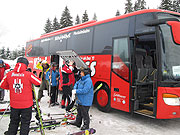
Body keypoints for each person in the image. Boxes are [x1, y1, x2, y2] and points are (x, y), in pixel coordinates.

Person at [0, 57, 41, 135]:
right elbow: (38, 82)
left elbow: (2, 85)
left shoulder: (9, 73)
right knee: (25, 123)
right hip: (26, 105)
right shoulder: (28, 74)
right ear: (26, 65)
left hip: (14, 104)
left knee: (13, 122)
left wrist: (11, 87)